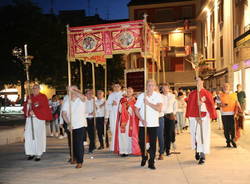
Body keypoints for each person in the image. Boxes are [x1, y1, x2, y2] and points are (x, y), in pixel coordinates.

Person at [186, 77, 216, 165]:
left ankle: (202, 155)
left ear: (202, 81)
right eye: (196, 80)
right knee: (195, 135)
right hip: (194, 118)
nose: (197, 81)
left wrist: (202, 104)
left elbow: (210, 105)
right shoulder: (192, 94)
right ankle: (197, 151)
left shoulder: (206, 93)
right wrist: (195, 117)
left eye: (199, 80)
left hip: (203, 118)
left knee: (202, 136)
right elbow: (190, 107)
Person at [135, 79, 162, 170]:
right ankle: (144, 156)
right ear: (146, 86)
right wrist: (141, 119)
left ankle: (151, 161)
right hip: (143, 124)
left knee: (153, 143)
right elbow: (136, 110)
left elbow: (159, 108)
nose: (150, 87)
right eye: (148, 85)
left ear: (154, 86)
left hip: (153, 123)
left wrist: (148, 103)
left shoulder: (158, 96)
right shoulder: (141, 96)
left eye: (152, 85)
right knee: (141, 142)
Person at [23, 84, 52, 161]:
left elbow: (44, 108)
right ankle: (31, 153)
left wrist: (35, 112)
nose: (34, 90)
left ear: (39, 89)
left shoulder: (43, 97)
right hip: (30, 119)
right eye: (33, 88)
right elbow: (25, 107)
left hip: (38, 119)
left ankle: (38, 154)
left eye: (36, 88)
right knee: (28, 135)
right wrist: (28, 104)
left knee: (38, 136)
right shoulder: (29, 96)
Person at [62, 85, 86, 169]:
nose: (72, 92)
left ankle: (80, 161)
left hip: (80, 125)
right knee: (72, 144)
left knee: (79, 144)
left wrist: (73, 90)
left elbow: (82, 97)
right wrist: (68, 123)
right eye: (71, 90)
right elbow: (64, 114)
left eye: (74, 90)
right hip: (71, 126)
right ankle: (74, 157)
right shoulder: (67, 101)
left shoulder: (81, 99)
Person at [114, 87, 140, 156]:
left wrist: (129, 108)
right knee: (122, 135)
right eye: (127, 91)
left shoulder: (134, 101)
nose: (128, 93)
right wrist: (123, 109)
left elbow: (135, 111)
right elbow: (119, 110)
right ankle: (123, 151)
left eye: (130, 91)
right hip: (123, 120)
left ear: (132, 93)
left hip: (130, 120)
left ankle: (129, 150)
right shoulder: (122, 100)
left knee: (129, 135)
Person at [220, 83, 240, 148]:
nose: (226, 88)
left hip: (232, 114)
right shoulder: (220, 95)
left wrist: (240, 110)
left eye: (227, 86)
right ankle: (228, 141)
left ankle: (233, 140)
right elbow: (217, 104)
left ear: (229, 87)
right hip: (224, 114)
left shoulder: (234, 94)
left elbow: (237, 102)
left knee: (233, 128)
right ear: (223, 88)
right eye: (224, 86)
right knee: (226, 129)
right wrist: (221, 105)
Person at [106, 83, 124, 151]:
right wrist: (112, 104)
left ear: (120, 87)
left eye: (118, 86)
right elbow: (107, 105)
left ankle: (122, 147)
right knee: (113, 130)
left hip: (122, 115)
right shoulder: (111, 95)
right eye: (115, 86)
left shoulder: (123, 94)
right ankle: (114, 147)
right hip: (113, 115)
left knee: (121, 130)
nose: (116, 87)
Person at [161, 83, 177, 156]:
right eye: (163, 88)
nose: (164, 89)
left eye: (166, 88)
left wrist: (173, 113)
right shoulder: (159, 96)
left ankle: (168, 149)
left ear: (168, 88)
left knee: (169, 133)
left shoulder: (172, 96)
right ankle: (162, 148)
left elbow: (175, 105)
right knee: (163, 133)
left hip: (170, 116)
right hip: (162, 116)